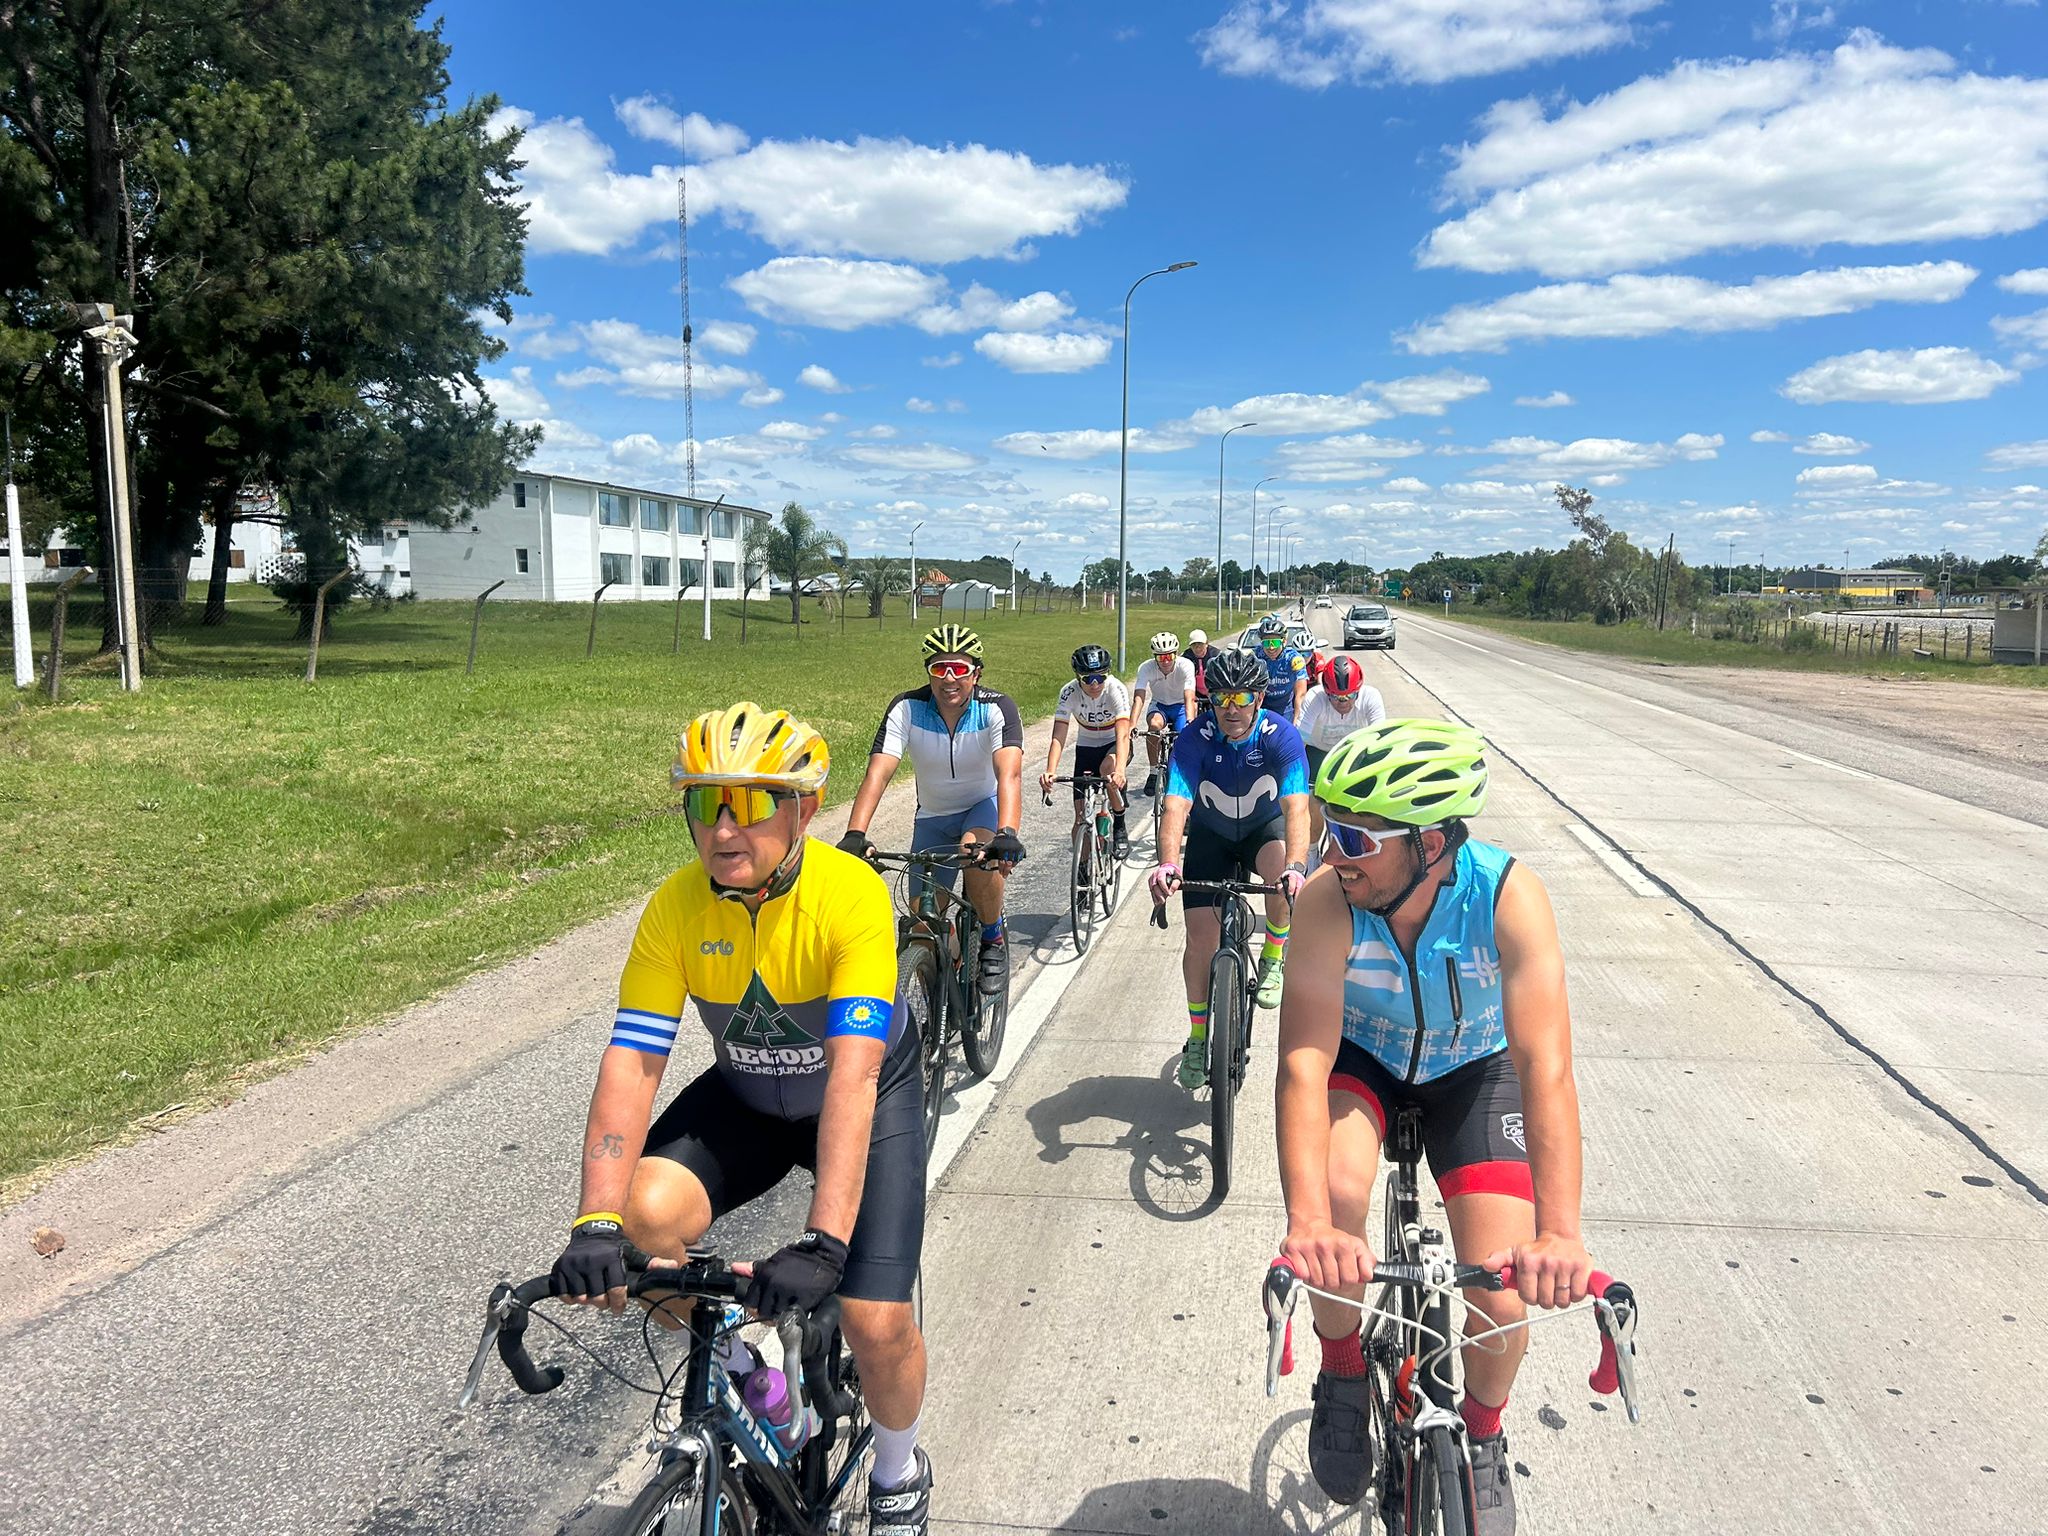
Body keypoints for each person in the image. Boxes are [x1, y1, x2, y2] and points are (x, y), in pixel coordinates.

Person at [550, 702, 939, 1532]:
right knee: (641, 1220)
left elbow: (854, 1074)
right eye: (703, 803)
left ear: (802, 808)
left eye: (751, 803)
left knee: (876, 1318)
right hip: (751, 1094)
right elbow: (633, 1060)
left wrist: (825, 1241)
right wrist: (593, 1217)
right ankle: (758, 1381)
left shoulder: (852, 896)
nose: (723, 829)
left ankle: (901, 1473)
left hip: (866, 1092)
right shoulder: (675, 908)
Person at [1274, 719, 1594, 1534]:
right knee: (1340, 1197)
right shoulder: (1326, 901)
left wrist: (1560, 1233)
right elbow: (1304, 1064)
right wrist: (1307, 1220)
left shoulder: (1508, 897)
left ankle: (1484, 1435)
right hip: (1366, 1059)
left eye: (1352, 836)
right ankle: (1344, 1369)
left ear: (1429, 843)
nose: (1330, 853)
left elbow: (1545, 1071)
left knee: (1501, 1285)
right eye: (1328, 828)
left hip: (1473, 1072)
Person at [1147, 647, 1311, 1086]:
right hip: (1212, 835)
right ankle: (1198, 1039)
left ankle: (1274, 954)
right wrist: (1166, 864)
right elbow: (1176, 805)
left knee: (1282, 878)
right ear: (1209, 701)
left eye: (1242, 699)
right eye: (1221, 699)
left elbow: (1297, 808)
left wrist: (1296, 868)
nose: (1231, 709)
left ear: (1259, 698)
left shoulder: (1281, 735)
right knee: (1200, 941)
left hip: (1262, 830)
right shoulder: (1194, 737)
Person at [840, 625, 1025, 997]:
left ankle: (992, 939)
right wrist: (855, 834)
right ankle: (950, 972)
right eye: (940, 669)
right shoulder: (906, 708)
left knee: (974, 853)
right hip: (932, 818)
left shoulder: (996, 708)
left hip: (981, 808)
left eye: (959, 668)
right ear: (929, 672)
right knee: (923, 927)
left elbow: (1010, 774)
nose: (950, 678)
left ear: (976, 673)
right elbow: (878, 772)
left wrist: (1007, 832)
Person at [1042, 643, 1133, 859]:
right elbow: (1059, 736)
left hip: (1114, 743)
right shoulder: (1069, 692)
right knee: (1080, 817)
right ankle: (1083, 873)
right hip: (1086, 747)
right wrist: (1050, 770)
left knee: (1107, 770)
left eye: (1100, 678)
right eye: (1087, 679)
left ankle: (1119, 824)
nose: (1094, 684)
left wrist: (1120, 770)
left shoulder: (1115, 689)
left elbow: (1123, 734)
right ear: (1077, 676)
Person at [1295, 656, 1387, 845]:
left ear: (1359, 690)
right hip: (1319, 751)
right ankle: (1312, 852)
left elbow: (1381, 741)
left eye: (1349, 696)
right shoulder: (1316, 698)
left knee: (1356, 808)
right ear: (1326, 692)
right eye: (1335, 697)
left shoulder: (1371, 697)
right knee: (1314, 804)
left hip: (1355, 754)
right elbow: (1299, 743)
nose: (1342, 702)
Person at [1130, 631, 1197, 798]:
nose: (1166, 661)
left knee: (1184, 735)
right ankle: (1153, 772)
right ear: (1154, 657)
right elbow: (1139, 697)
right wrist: (1132, 723)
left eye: (1169, 656)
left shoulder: (1186, 665)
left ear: (1176, 654)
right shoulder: (1146, 668)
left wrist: (1190, 720)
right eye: (1161, 658)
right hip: (1160, 705)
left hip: (1181, 705)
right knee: (1153, 726)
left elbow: (1189, 696)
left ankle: (1181, 772)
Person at [1255, 614, 1310, 723]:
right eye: (1266, 643)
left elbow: (1301, 694)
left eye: (1275, 642)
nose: (1271, 647)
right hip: (1262, 708)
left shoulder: (1294, 659)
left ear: (1284, 641)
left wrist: (1297, 720)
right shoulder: (1255, 656)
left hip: (1285, 710)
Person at [1185, 629, 1216, 706]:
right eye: (1194, 645)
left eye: (1200, 644)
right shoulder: (1186, 658)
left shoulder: (1216, 655)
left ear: (1206, 644)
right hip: (1195, 692)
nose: (1197, 648)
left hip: (1213, 690)